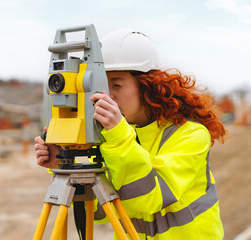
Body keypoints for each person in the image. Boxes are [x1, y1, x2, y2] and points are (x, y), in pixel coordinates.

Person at [35, 29, 226, 240]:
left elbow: (147, 199)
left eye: (116, 84)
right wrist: (62, 163)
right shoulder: (116, 136)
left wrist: (118, 135)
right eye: (101, 85)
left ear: (148, 86)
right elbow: (101, 209)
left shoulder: (191, 134)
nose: (107, 95)